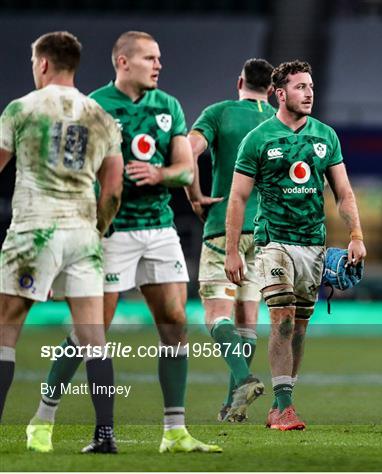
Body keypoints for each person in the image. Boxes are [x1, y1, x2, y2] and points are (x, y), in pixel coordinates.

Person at [27, 31, 222, 453]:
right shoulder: (95, 106)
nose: (159, 65)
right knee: (90, 331)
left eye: (159, 57)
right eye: (150, 58)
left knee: (175, 327)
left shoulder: (167, 106)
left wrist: (160, 175)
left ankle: (175, 432)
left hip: (159, 228)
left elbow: (186, 170)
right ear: (123, 62)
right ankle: (43, 417)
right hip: (112, 230)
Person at [224, 60, 367, 431]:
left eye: (311, 87)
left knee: (300, 326)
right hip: (273, 241)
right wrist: (231, 249)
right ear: (280, 93)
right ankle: (285, 408)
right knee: (282, 317)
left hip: (313, 245)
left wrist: (356, 236)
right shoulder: (258, 138)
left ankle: (278, 403)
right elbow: (238, 198)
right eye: (301, 87)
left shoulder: (326, 136)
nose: (309, 93)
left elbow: (344, 192)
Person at [0, 31, 124, 453]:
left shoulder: (22, 108)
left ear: (44, 64)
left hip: (34, 228)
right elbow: (113, 191)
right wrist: (96, 233)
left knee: (5, 331)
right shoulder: (102, 117)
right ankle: (105, 436)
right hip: (83, 234)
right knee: (94, 338)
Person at [186, 58, 275, 422]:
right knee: (247, 322)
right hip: (265, 233)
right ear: (271, 89)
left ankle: (244, 377)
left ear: (239, 81)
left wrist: (196, 195)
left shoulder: (219, 112)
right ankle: (231, 409)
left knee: (216, 316)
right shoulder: (279, 121)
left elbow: (188, 151)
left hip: (226, 228)